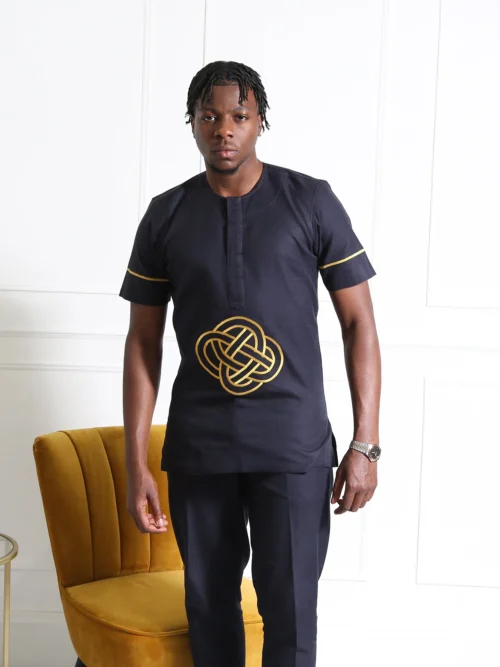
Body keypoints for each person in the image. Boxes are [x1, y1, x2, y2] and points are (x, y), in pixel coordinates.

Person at [119, 60, 381, 667]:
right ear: (191, 122)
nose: (224, 129)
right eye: (209, 116)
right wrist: (136, 464)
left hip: (292, 444)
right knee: (209, 610)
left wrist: (365, 445)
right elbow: (141, 343)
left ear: (261, 120)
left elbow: (359, 323)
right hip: (201, 446)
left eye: (239, 115)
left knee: (291, 612)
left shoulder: (311, 201)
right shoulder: (166, 214)